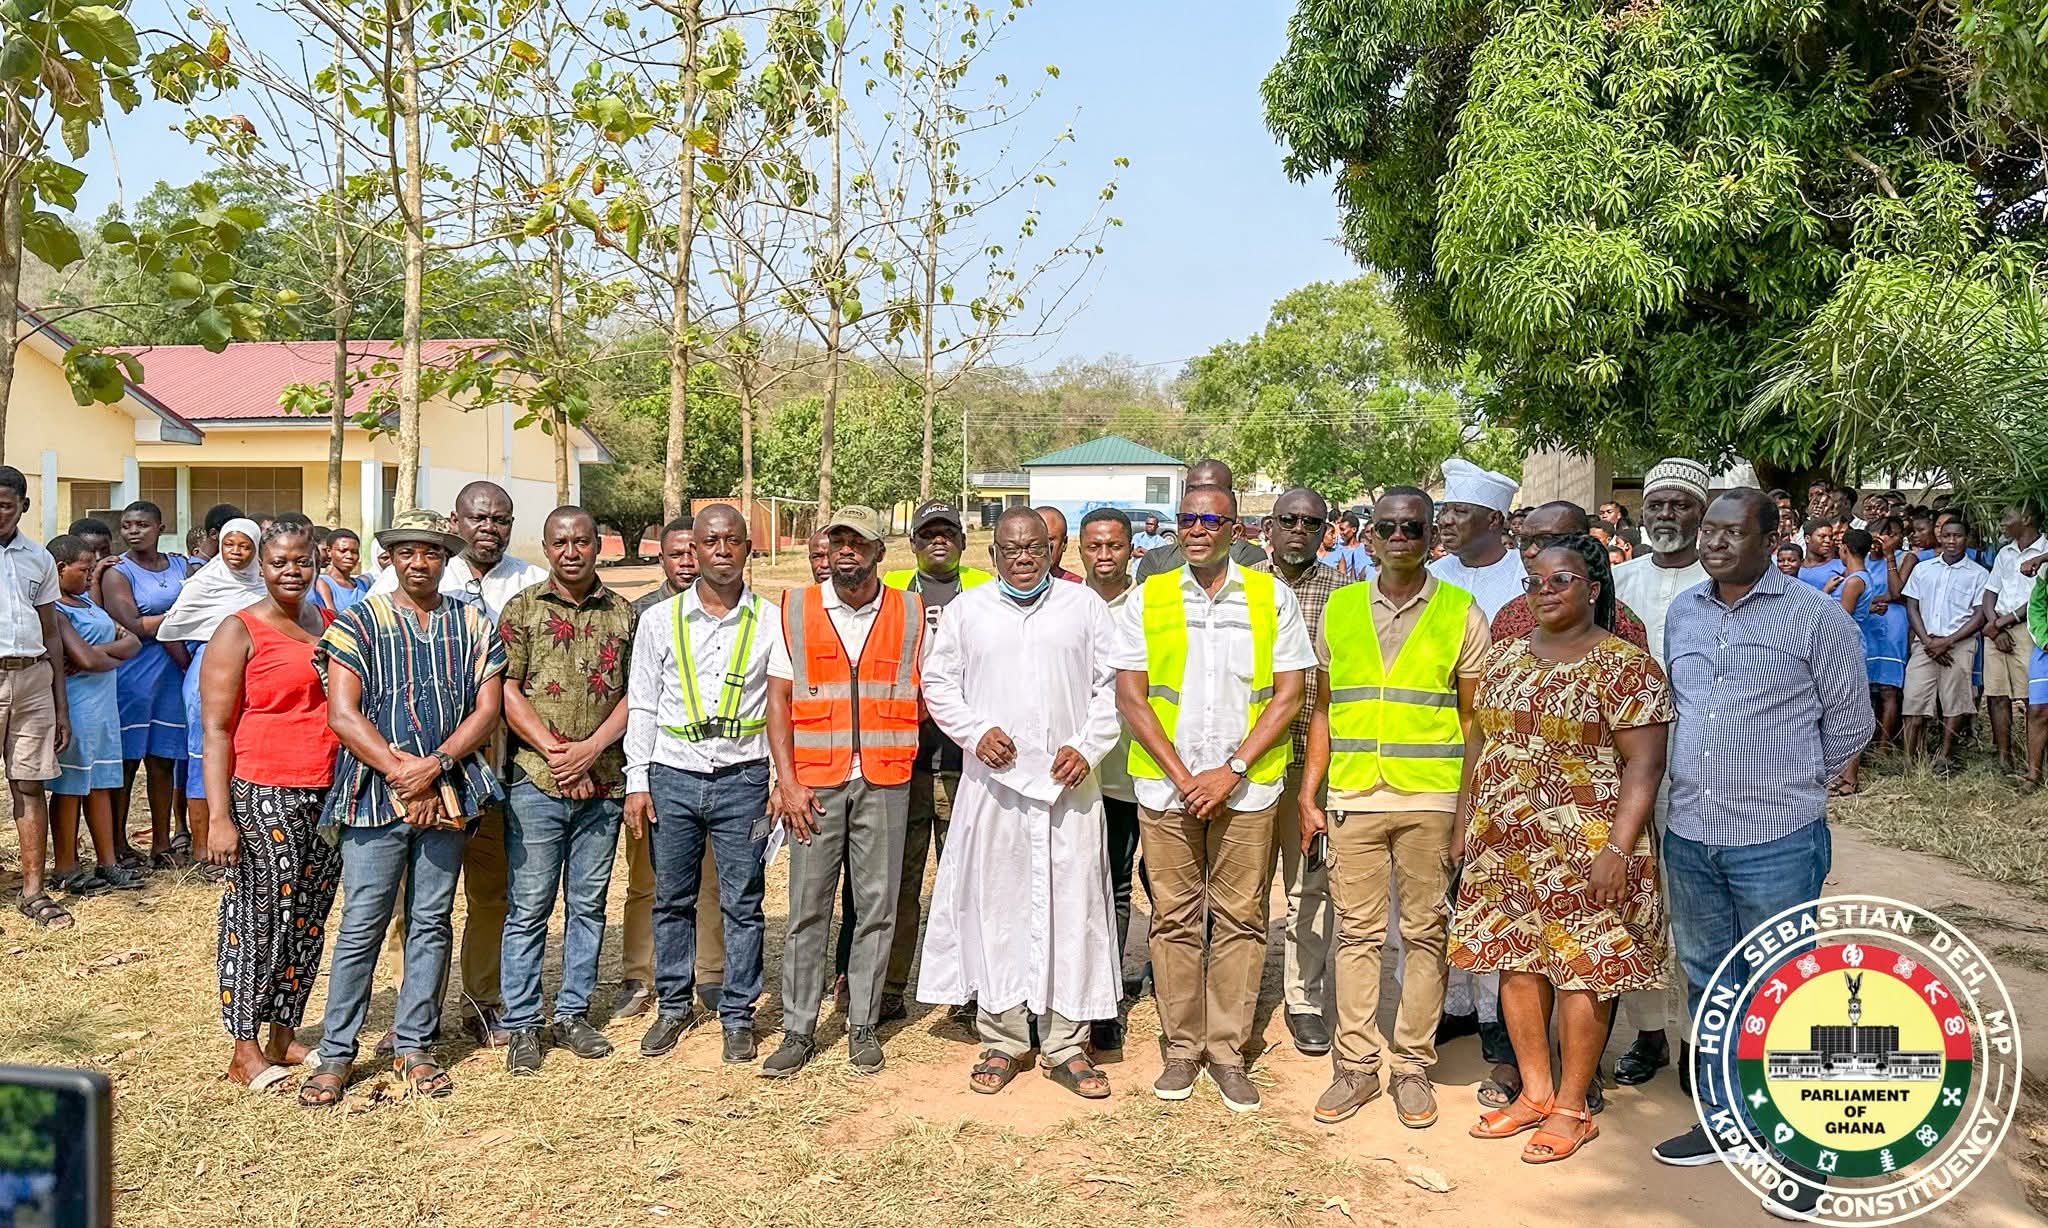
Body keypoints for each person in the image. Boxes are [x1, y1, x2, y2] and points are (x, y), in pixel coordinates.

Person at [1652, 490, 1871, 1222]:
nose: (1713, 543)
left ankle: (1801, 1145)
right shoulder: (1684, 612)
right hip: (1691, 830)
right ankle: (1725, 1122)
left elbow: (1850, 724)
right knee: (1710, 980)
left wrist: (1789, 783)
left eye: (1731, 532)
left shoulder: (1816, 617)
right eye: (1708, 531)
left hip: (1776, 835)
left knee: (1785, 986)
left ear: (1772, 537)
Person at [1456, 534, 1672, 1164]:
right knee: (1516, 962)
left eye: (1560, 580)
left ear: (1593, 588)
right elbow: (1480, 744)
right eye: (1534, 582)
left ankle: (1573, 1107)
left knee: (1585, 971)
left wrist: (1618, 850)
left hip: (1590, 845)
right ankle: (1535, 1092)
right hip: (1505, 841)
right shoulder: (1505, 657)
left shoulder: (1626, 666)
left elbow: (1645, 765)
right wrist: (1465, 820)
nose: (1544, 591)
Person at [1112, 482, 1312, 1111]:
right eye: (1187, 518)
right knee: (1174, 919)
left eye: (1211, 519)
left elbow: (1289, 694)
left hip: (1246, 789)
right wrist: (1183, 776)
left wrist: (1231, 770)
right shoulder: (1147, 597)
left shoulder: (1271, 597)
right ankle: (1181, 1048)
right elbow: (1132, 697)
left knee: (1241, 919)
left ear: (1236, 529)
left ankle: (1226, 1052)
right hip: (1166, 788)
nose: (1197, 529)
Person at [299, 510, 507, 1108]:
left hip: (449, 790)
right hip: (373, 793)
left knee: (432, 919)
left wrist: (435, 766)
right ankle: (336, 1052)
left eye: (432, 552)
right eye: (407, 551)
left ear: (446, 558)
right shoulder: (359, 621)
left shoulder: (472, 622)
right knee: (363, 923)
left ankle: (416, 1044)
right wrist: (404, 775)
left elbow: (487, 709)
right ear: (389, 557)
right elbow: (343, 714)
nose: (420, 562)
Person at [1297, 486, 1487, 1129]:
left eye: (1412, 528)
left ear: (1432, 538)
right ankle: (1355, 1066)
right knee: (1356, 934)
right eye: (1387, 528)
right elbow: (1323, 709)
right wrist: (1311, 793)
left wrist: (1465, 811)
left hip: (1430, 799)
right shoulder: (1341, 609)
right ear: (1369, 536)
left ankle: (1410, 1066)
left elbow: (1474, 722)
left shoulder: (1460, 611)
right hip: (1353, 795)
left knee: (1426, 933)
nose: (1399, 538)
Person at [917, 506, 1123, 1097]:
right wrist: (976, 731)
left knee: (1072, 907)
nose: (1024, 557)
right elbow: (939, 685)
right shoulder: (968, 612)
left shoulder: (1083, 607)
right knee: (998, 906)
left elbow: (1113, 687)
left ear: (1053, 551)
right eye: (1011, 549)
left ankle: (1066, 1043)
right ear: (993, 555)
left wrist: (1088, 746)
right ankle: (1003, 1037)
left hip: (1068, 788)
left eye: (1034, 547)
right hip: (995, 788)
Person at [370, 480, 544, 1047]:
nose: (489, 528)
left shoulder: (530, 581)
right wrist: (407, 766)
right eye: (478, 518)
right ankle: (411, 1010)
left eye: (501, 519)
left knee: (490, 891)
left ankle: (482, 1000)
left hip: (492, 766)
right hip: (413, 773)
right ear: (455, 522)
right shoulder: (401, 580)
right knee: (413, 899)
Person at [762, 506, 924, 1077]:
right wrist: (787, 782)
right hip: (814, 786)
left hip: (885, 779)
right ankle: (798, 1029)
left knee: (877, 907)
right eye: (838, 542)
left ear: (880, 551)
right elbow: (777, 701)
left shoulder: (910, 611)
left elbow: (931, 691)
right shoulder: (796, 609)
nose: (846, 550)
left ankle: (862, 1023)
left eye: (858, 541)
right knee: (807, 908)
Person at [624, 505, 777, 1065]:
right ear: (697, 548)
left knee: (743, 901)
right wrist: (637, 780)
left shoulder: (770, 620)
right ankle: (672, 1005)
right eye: (710, 541)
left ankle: (737, 1014)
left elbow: (780, 706)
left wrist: (778, 780)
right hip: (673, 775)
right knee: (672, 898)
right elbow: (643, 703)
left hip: (744, 778)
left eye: (732, 541)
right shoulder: (660, 621)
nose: (721, 551)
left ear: (747, 548)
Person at [196, 522, 342, 1089]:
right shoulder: (238, 630)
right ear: (261, 566)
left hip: (326, 788)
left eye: (302, 561)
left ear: (315, 564)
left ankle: (283, 1034)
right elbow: (215, 730)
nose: (291, 571)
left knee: (307, 917)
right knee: (258, 919)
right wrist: (219, 817)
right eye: (279, 562)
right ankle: (244, 1048)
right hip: (265, 790)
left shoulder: (326, 621)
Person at [497, 507, 636, 1073]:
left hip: (603, 782)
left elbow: (635, 694)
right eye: (560, 542)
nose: (571, 552)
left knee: (588, 904)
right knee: (529, 907)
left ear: (597, 546)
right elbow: (506, 689)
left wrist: (590, 751)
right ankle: (523, 1023)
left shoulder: (624, 613)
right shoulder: (522, 608)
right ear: (547, 546)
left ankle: (573, 1013)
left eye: (581, 541)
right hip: (537, 779)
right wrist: (558, 754)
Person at [1606, 457, 1710, 1086]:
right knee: (1636, 904)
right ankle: (1649, 1035)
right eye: (1658, 503)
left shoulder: (1720, 581)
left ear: (1703, 513)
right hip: (1627, 768)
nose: (1667, 514)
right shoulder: (1618, 581)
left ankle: (1699, 1039)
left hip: (1701, 770)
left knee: (1693, 908)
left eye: (1681, 504)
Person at [870, 500, 994, 1020]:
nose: (938, 541)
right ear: (913, 543)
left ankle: (969, 992)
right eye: (927, 534)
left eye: (947, 533)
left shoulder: (986, 590)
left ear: (963, 541)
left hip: (967, 764)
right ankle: (889, 986)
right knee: (898, 883)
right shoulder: (894, 592)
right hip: (904, 764)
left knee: (967, 882)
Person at [1254, 489, 1352, 1059]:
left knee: (1309, 886)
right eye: (1288, 519)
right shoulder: (1242, 587)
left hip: (1314, 764)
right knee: (1243, 886)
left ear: (1325, 531)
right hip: (1248, 761)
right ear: (1269, 526)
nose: (1298, 529)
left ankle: (1304, 999)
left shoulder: (1345, 594)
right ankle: (1240, 995)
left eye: (1311, 522)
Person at [620, 517, 719, 1019]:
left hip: (711, 769)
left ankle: (711, 973)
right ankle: (639, 975)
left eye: (692, 551)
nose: (686, 562)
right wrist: (637, 773)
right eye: (676, 554)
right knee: (647, 880)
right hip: (655, 768)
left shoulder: (727, 610)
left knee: (710, 880)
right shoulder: (641, 613)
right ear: (661, 558)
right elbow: (633, 697)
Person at [159, 517, 266, 872]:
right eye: (229, 545)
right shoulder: (203, 583)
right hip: (207, 675)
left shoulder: (264, 586)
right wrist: (195, 664)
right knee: (203, 755)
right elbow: (171, 628)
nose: (236, 552)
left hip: (253, 673)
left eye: (245, 546)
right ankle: (203, 849)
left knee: (243, 752)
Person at [1076, 505, 1142, 1047]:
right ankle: (1077, 992)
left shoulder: (1147, 606)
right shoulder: (1065, 605)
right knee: (1083, 885)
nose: (1104, 556)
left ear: (1130, 549)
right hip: (1079, 776)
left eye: (1114, 546)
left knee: (1121, 885)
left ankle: (1108, 999)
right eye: (1094, 546)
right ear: (1079, 550)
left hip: (1134, 772)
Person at [45, 535, 142, 896]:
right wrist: (107, 654)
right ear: (60, 569)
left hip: (103, 706)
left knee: (100, 784)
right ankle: (66, 867)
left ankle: (107, 862)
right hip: (77, 705)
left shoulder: (86, 603)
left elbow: (132, 642)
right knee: (70, 787)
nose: (90, 576)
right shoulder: (55, 609)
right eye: (84, 569)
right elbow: (85, 659)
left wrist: (98, 654)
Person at [0, 468, 71, 927]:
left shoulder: (38, 558)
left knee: (30, 784)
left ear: (23, 506)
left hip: (32, 679)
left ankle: (33, 891)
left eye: (5, 505)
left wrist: (61, 705)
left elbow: (51, 632)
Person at [102, 500, 190, 866]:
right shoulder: (118, 572)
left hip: (172, 674)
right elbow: (133, 625)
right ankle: (118, 843)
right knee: (127, 762)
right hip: (133, 676)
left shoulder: (182, 565)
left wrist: (167, 619)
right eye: (127, 525)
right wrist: (182, 615)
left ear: (160, 527)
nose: (133, 531)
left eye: (141, 524)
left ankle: (161, 844)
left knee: (163, 761)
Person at [1493, 502, 1650, 650]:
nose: (1530, 552)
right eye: (1524, 541)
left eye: (1545, 540)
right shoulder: (1509, 617)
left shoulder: (1623, 625)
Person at [1901, 516, 1989, 771]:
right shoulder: (1923, 569)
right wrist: (1928, 641)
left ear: (1966, 539)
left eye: (1957, 536)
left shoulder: (1978, 574)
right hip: (1925, 644)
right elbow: (1912, 606)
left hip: (1958, 646)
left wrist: (1947, 641)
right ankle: (1909, 759)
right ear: (1940, 537)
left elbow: (1979, 615)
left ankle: (1945, 757)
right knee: (1914, 700)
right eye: (1947, 535)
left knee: (1955, 702)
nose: (1952, 541)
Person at [1981, 503, 2045, 776]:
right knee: (1997, 695)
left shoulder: (2045, 551)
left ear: (2027, 518)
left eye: (2008, 516)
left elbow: (2038, 600)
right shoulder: (2005, 552)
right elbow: (1990, 591)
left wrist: (2002, 623)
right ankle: (2004, 758)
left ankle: (2034, 762)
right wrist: (1994, 627)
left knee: (2033, 699)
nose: (2002, 522)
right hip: (1997, 628)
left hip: (2028, 629)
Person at [1135, 459, 1269, 579]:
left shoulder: (1250, 558)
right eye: (1192, 490)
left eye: (1211, 489)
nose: (1200, 498)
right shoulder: (1156, 561)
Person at [1429, 459, 1526, 621]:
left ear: (1494, 519)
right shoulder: (1433, 575)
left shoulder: (1526, 573)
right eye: (1445, 511)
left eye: (1460, 511)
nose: (1445, 520)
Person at [1833, 529, 1880, 794]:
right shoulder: (1860, 577)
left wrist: (1825, 594)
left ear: (1845, 549)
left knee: (1850, 711)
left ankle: (1850, 777)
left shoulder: (1853, 581)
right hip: (1850, 643)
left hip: (1848, 646)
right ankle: (1841, 774)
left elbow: (1841, 616)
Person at [1860, 516, 1912, 747]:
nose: (1881, 541)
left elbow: (1897, 592)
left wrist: (1890, 556)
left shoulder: (1906, 558)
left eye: (1890, 536)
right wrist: (1872, 601)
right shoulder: (1862, 559)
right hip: (1867, 624)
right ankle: (1866, 743)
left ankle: (1884, 747)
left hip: (1892, 626)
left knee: (1888, 689)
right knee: (1866, 687)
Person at [314, 527, 372, 615]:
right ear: (329, 551)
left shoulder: (363, 584)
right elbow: (331, 616)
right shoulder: (322, 582)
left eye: (354, 552)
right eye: (343, 551)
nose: (349, 556)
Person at [1034, 505, 1083, 583]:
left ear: (1064, 543)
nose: (1040, 547)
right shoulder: (1014, 585)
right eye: (1033, 541)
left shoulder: (1077, 587)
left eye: (1048, 540)